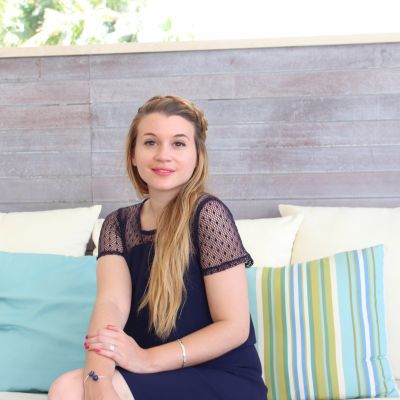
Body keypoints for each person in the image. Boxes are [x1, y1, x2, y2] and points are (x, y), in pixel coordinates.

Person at [48, 95, 267, 400]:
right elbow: (111, 305)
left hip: (221, 376)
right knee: (68, 388)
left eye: (178, 144)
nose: (164, 155)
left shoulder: (208, 214)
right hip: (151, 375)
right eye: (151, 142)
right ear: (133, 154)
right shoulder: (117, 224)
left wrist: (146, 360)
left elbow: (234, 327)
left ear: (197, 156)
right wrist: (97, 380)